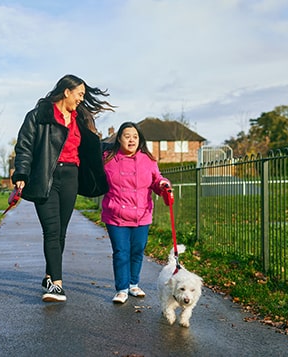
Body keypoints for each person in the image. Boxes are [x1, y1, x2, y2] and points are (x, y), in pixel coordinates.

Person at [11, 74, 115, 302]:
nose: (81, 99)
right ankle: (56, 285)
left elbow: (91, 146)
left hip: (71, 176)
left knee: (61, 232)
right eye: (79, 94)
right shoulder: (39, 116)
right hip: (45, 176)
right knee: (51, 230)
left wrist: (116, 145)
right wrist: (21, 173)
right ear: (66, 91)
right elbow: (25, 146)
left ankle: (50, 275)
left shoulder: (80, 119)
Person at [101, 122, 171, 304]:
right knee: (121, 251)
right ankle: (122, 288)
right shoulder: (108, 159)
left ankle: (133, 283)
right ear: (119, 139)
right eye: (127, 136)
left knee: (138, 250)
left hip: (142, 213)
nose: (131, 140)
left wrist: (163, 184)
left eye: (135, 136)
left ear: (139, 139)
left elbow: (157, 179)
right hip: (115, 213)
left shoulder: (148, 159)